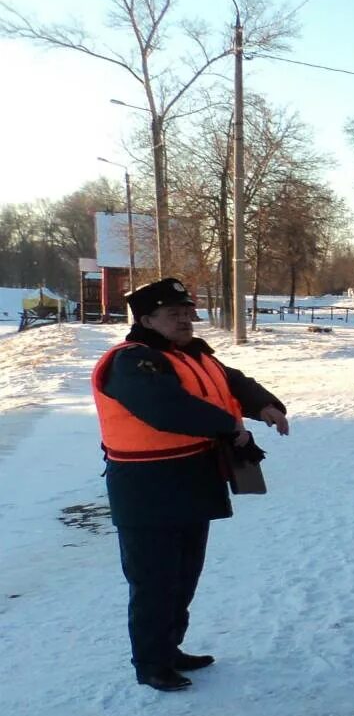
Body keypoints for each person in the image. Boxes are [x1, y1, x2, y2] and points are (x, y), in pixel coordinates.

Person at [90, 278, 289, 691]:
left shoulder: (191, 355)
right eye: (172, 314)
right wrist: (227, 426)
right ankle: (151, 663)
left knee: (184, 575)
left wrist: (264, 405)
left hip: (193, 479)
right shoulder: (133, 361)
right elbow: (165, 408)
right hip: (147, 488)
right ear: (146, 319)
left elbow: (232, 381)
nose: (184, 320)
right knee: (154, 580)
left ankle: (169, 649)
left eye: (187, 313)